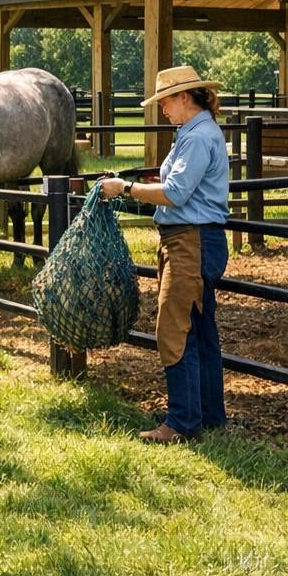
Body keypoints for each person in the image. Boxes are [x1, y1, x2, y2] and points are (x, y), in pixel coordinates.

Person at [99, 65, 230, 445]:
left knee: (174, 330)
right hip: (195, 240)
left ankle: (182, 423)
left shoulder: (196, 137)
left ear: (184, 97)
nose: (163, 110)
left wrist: (125, 188)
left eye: (166, 101)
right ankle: (208, 416)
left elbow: (175, 194)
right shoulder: (196, 133)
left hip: (190, 243)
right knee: (201, 330)